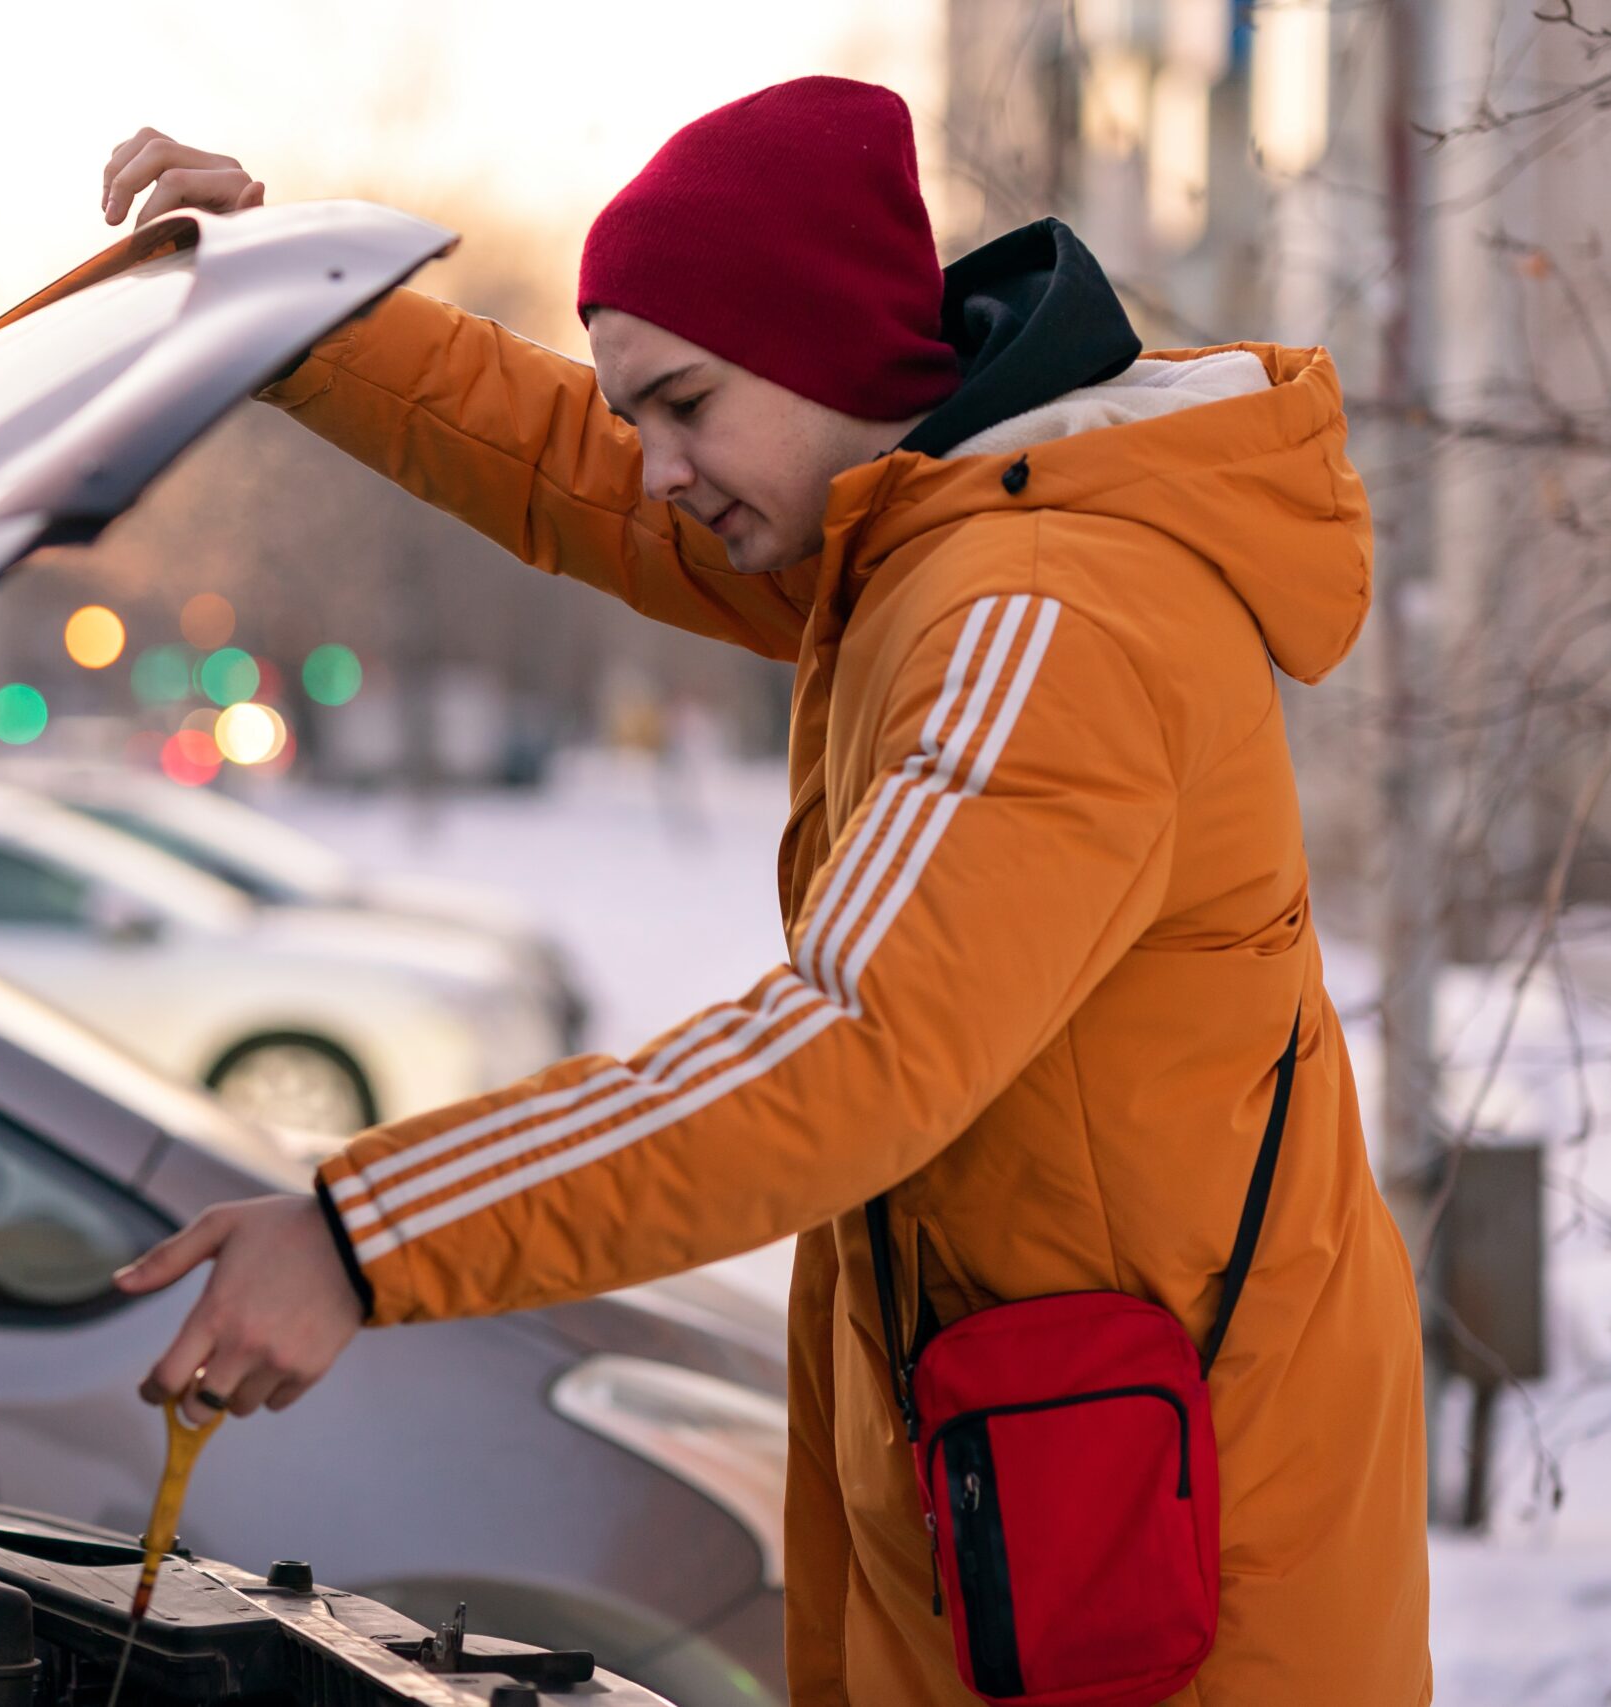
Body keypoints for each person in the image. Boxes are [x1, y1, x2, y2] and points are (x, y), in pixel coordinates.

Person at [96, 77, 1431, 1706]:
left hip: (1166, 1570)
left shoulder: (1047, 617)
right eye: (640, 411)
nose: (655, 470)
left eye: (685, 403)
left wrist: (365, 1234)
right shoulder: (930, 527)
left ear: (824, 356)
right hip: (1051, 1482)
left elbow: (846, 1050)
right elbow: (573, 470)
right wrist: (297, 316)